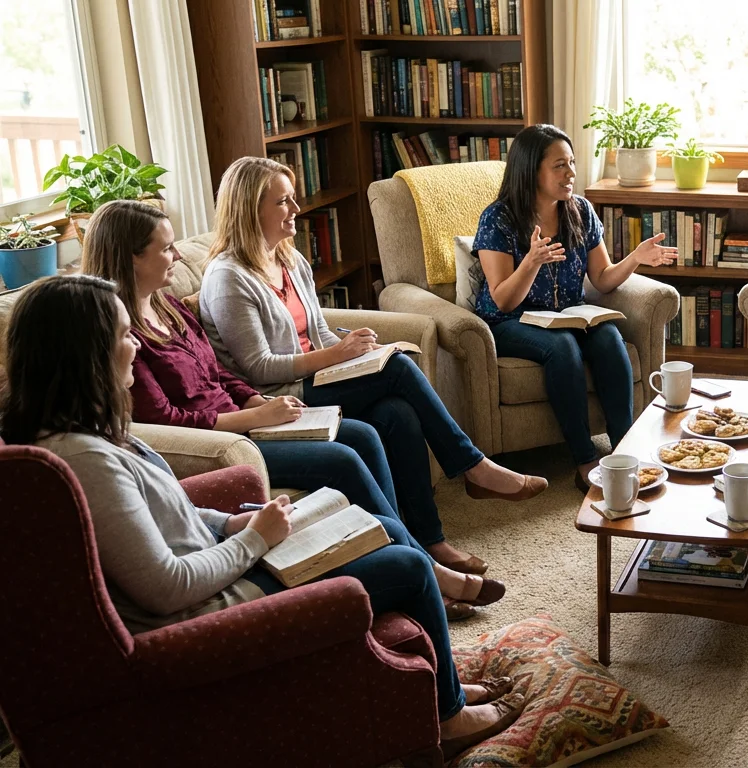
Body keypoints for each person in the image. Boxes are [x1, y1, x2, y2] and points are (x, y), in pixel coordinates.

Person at [0, 276, 527, 756]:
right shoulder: (84, 460)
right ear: (84, 355)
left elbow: (167, 511)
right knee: (406, 569)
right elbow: (166, 585)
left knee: (381, 527)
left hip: (221, 565)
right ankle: (449, 716)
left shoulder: (87, 432)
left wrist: (229, 524)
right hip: (208, 607)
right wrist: (253, 540)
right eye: (122, 335)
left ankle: (445, 685)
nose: (134, 345)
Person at [80, 199, 498, 619]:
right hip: (222, 440)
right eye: (165, 248)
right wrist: (254, 417)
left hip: (248, 418)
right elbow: (165, 419)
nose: (175, 256)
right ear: (130, 258)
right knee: (341, 457)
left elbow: (220, 374)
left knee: (368, 431)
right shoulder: (123, 335)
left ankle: (403, 551)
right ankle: (427, 568)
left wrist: (254, 399)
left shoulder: (170, 309)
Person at [198, 156, 546, 579]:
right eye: (282, 202)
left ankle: (429, 543)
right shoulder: (229, 277)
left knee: (397, 414)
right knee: (397, 370)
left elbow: (320, 333)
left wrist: (356, 351)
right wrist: (338, 356)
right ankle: (474, 467)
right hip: (280, 399)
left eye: (292, 199)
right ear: (250, 210)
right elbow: (258, 368)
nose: (295, 210)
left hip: (317, 379)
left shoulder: (290, 261)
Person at [473, 124, 676, 490]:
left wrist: (636, 258)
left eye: (572, 163)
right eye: (559, 166)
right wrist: (531, 262)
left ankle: (624, 451)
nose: (571, 174)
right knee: (562, 348)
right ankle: (586, 460)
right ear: (531, 170)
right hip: (508, 321)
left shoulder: (580, 209)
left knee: (610, 339)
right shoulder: (497, 218)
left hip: (566, 316)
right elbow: (502, 298)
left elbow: (602, 278)